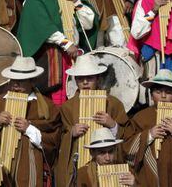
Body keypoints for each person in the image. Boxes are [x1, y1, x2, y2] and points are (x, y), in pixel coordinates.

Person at [16, 0, 99, 105]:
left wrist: (77, 2)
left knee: (73, 96)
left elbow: (88, 24)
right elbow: (44, 27)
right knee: (53, 95)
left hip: (73, 56)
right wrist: (67, 44)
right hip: (49, 57)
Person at [54, 54, 129, 187]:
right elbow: (57, 137)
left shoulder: (113, 103)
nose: (85, 82)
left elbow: (128, 135)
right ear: (75, 80)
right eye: (81, 78)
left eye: (90, 78)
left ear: (98, 79)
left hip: (108, 163)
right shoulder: (67, 107)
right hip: (77, 162)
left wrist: (113, 125)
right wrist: (71, 133)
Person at [0, 56, 61, 186]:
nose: (15, 85)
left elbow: (55, 140)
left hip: (29, 165)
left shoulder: (47, 106)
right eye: (13, 80)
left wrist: (29, 129)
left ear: (32, 82)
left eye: (21, 81)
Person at [124, 69, 172, 186]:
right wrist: (149, 135)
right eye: (158, 91)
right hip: (150, 176)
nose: (163, 96)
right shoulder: (140, 118)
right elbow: (126, 148)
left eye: (168, 92)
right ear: (151, 95)